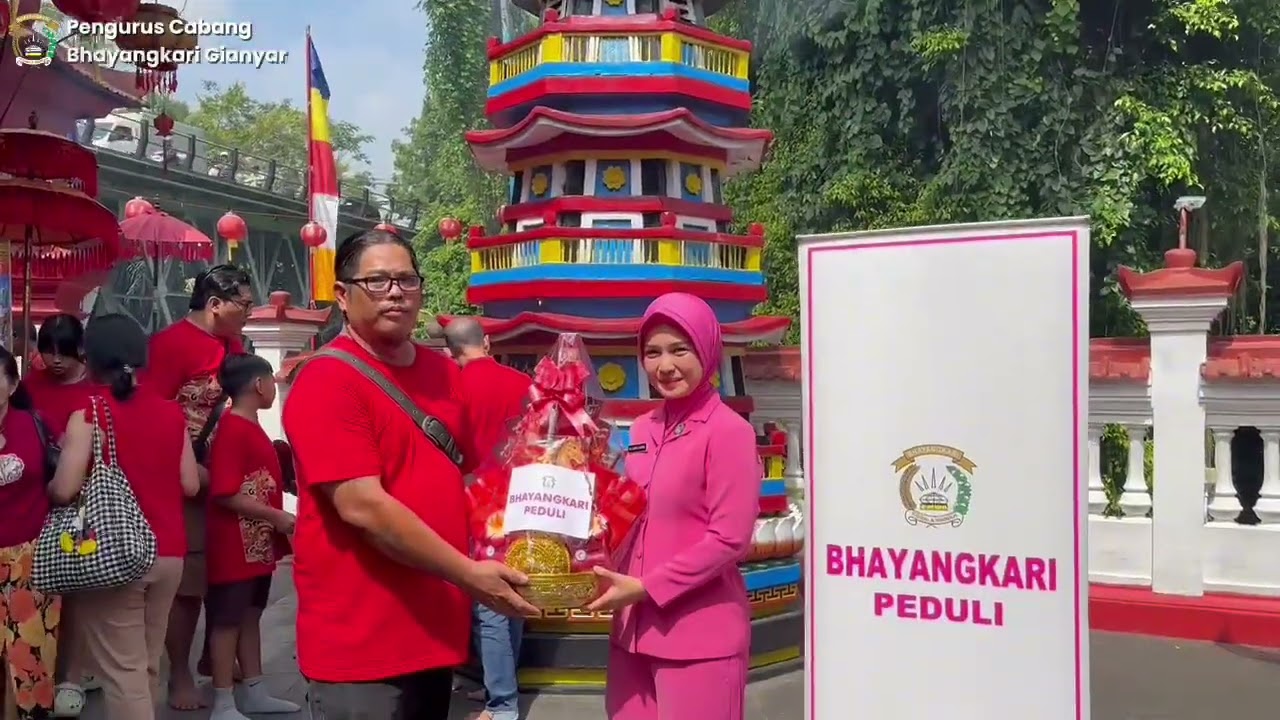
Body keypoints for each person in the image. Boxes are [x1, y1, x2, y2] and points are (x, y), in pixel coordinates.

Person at [282, 228, 538, 720]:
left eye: (406, 280)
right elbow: (363, 506)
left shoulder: (443, 374)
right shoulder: (327, 380)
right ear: (342, 294)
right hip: (362, 643)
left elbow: (467, 474)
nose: (395, 291)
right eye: (377, 281)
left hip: (433, 628)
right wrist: (469, 574)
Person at [587, 293, 762, 720]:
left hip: (700, 640)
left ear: (707, 349)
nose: (665, 365)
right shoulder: (643, 428)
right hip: (631, 634)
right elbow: (627, 516)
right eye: (652, 353)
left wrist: (646, 587)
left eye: (679, 349)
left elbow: (729, 539)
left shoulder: (728, 432)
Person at [47, 313, 201, 720]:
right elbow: (190, 484)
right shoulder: (171, 413)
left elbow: (63, 489)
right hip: (169, 552)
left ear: (88, 357)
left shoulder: (90, 413)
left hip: (116, 553)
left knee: (122, 672)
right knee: (145, 665)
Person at [140, 264, 252, 711]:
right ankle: (180, 673)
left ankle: (215, 657)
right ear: (214, 304)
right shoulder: (169, 347)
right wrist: (191, 470)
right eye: (242, 304)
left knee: (229, 571)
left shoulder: (234, 344)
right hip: (186, 475)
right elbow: (154, 418)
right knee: (188, 581)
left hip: (229, 472)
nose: (248, 312)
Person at [443, 318, 533, 720]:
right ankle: (501, 685)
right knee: (512, 590)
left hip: (473, 501)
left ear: (450, 351)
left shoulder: (450, 387)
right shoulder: (521, 384)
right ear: (488, 341)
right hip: (523, 496)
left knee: (489, 603)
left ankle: (503, 703)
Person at [203, 353, 298, 720]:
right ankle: (223, 700)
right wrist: (276, 515)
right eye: (271, 381)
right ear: (258, 385)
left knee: (250, 615)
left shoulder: (248, 425)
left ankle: (255, 689)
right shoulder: (233, 429)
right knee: (227, 619)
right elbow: (224, 492)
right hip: (234, 544)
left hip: (254, 544)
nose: (274, 387)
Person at [21, 314, 102, 717]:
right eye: (47, 351)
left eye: (63, 353)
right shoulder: (29, 387)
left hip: (80, 504)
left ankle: (70, 674)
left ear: (80, 351)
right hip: (34, 500)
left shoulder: (94, 393)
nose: (54, 360)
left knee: (74, 592)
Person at [0, 346, 61, 720]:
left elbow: (64, 481)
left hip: (31, 558)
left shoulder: (35, 424)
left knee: (28, 660)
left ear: (11, 384)